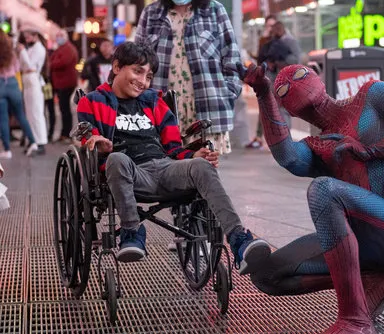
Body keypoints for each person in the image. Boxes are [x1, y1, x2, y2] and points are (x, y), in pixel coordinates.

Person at [240, 63, 384, 334]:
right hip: (364, 241)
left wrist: (372, 151)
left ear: (318, 77)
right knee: (266, 276)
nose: (291, 82)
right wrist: (264, 94)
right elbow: (288, 156)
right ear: (289, 110)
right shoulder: (319, 146)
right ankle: (374, 280)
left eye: (300, 74)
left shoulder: (373, 96)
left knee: (324, 190)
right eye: (283, 88)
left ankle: (355, 320)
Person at [77, 42, 271, 268]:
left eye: (148, 76)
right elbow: (87, 135)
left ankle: (239, 241)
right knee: (117, 159)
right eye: (137, 71)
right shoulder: (92, 101)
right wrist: (96, 143)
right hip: (129, 172)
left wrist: (193, 154)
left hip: (164, 167)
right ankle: (132, 233)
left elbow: (173, 145)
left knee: (200, 165)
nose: (143, 81)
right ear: (117, 67)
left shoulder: (153, 102)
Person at [135, 0, 242, 156]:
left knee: (205, 176)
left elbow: (232, 59)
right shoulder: (151, 14)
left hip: (207, 110)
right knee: (166, 175)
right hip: (161, 112)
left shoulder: (215, 12)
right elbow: (136, 62)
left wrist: (228, 94)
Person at [0, 32, 38, 159]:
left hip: (0, 85)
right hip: (13, 84)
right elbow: (17, 68)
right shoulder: (11, 53)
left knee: (3, 119)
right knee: (21, 115)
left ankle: (7, 150)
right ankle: (33, 142)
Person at [245, 15, 277, 149]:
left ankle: (275, 140)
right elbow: (261, 57)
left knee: (276, 110)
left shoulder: (282, 40)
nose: (270, 29)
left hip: (278, 78)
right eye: (268, 26)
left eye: (272, 26)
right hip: (267, 78)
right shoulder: (265, 40)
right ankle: (259, 137)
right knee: (265, 107)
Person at [18, 29, 48, 154]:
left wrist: (22, 51)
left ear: (35, 35)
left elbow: (30, 65)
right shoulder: (31, 48)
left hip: (33, 79)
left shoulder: (39, 48)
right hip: (27, 79)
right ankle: (33, 140)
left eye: (28, 35)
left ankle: (41, 141)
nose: (26, 38)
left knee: (36, 112)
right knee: (30, 113)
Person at [50, 31, 79, 143]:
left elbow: (61, 62)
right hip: (62, 83)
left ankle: (66, 134)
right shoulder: (61, 48)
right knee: (63, 109)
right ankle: (64, 133)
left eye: (60, 36)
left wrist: (52, 63)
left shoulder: (68, 49)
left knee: (65, 109)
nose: (58, 38)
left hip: (66, 83)